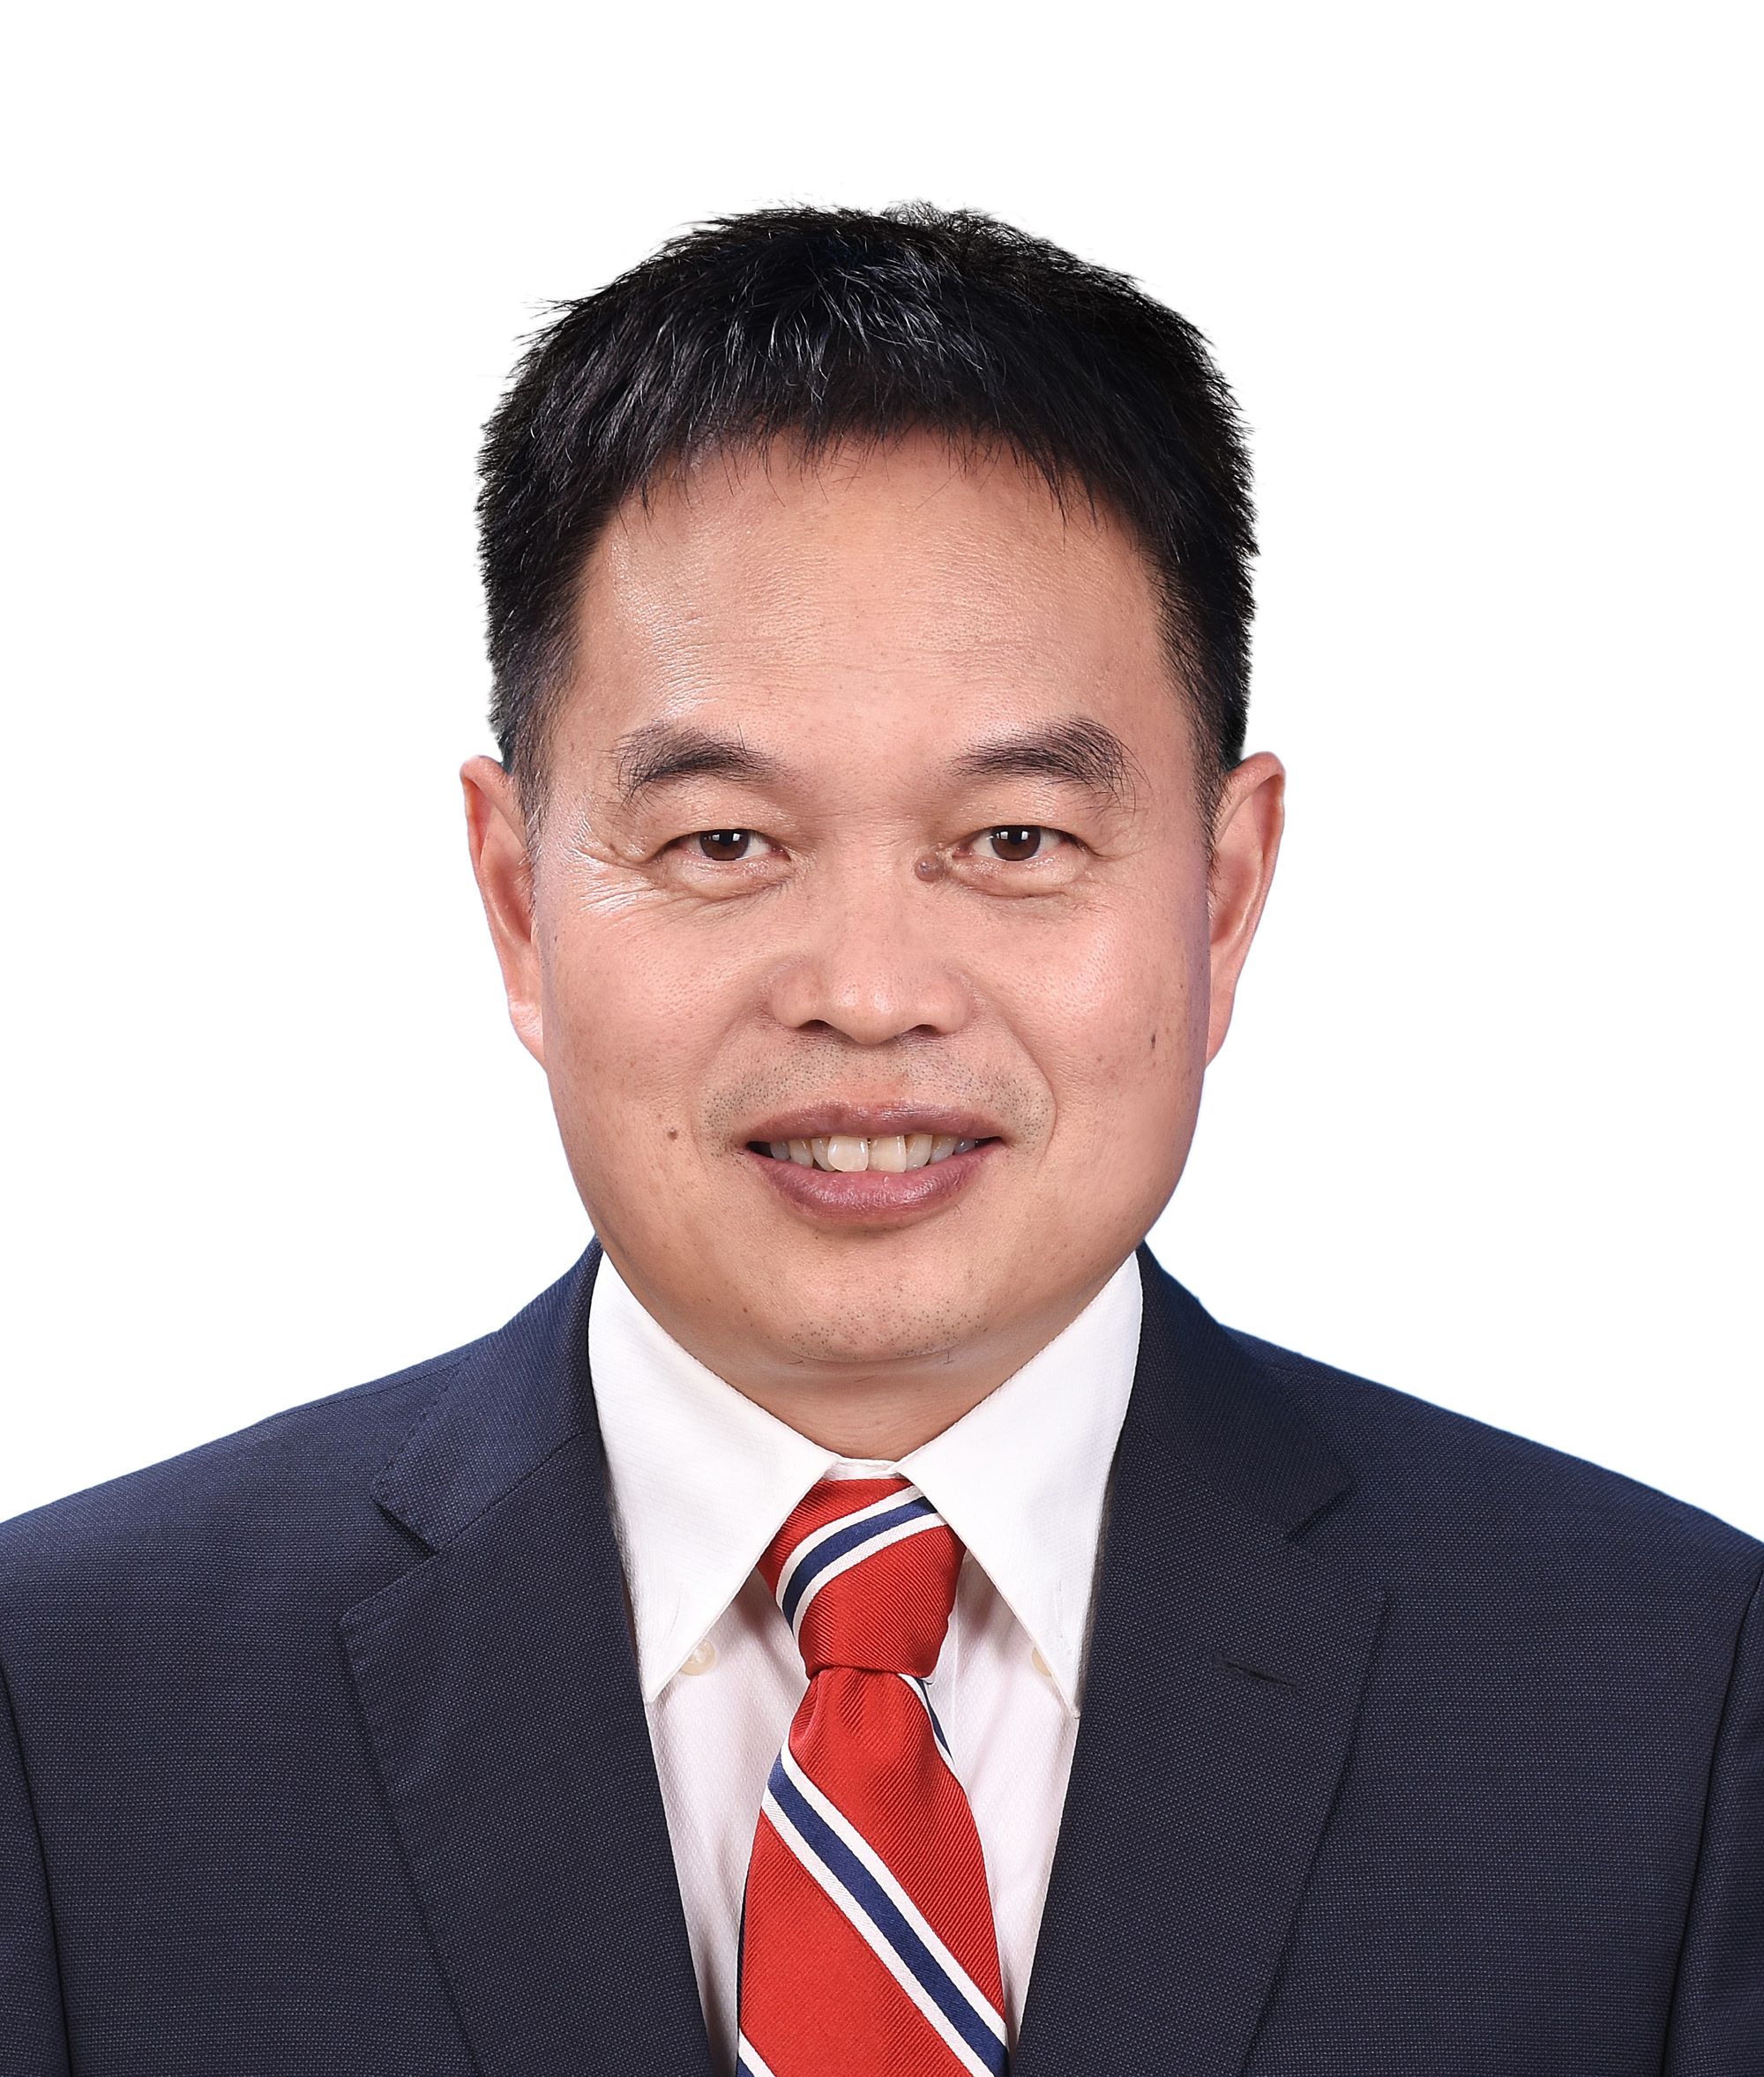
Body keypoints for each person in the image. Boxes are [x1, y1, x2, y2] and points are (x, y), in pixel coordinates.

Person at [1, 203, 1758, 2076]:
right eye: (724, 842)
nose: (866, 992)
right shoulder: (66, 1707)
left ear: (1223, 894)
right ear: (517, 901)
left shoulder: (1670, 1706)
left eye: (1013, 840)